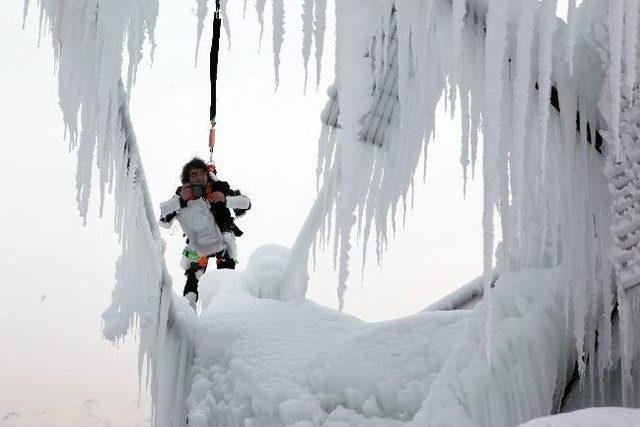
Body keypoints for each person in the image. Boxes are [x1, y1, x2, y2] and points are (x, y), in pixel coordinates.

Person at [159, 157, 251, 308]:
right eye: (194, 174)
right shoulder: (182, 194)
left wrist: (226, 199)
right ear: (187, 179)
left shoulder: (218, 188)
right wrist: (180, 201)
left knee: (226, 282)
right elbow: (163, 219)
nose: (199, 177)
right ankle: (189, 312)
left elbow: (246, 204)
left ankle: (226, 310)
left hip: (223, 244)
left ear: (207, 175)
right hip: (197, 246)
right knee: (193, 281)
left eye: (202, 173)